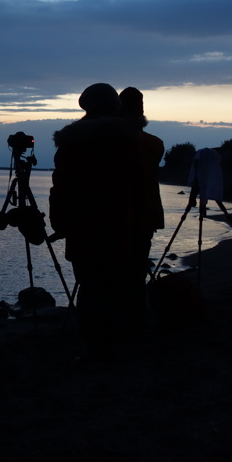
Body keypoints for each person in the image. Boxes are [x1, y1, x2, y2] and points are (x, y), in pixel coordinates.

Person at [49, 83, 146, 361]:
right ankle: (114, 342)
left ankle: (95, 345)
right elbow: (138, 186)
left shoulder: (72, 143)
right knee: (116, 285)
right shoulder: (128, 139)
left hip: (84, 227)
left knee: (91, 286)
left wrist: (60, 224)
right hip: (119, 225)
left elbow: (61, 187)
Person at [118, 87, 165, 271]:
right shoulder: (155, 143)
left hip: (119, 219)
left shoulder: (112, 142)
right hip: (145, 218)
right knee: (136, 274)